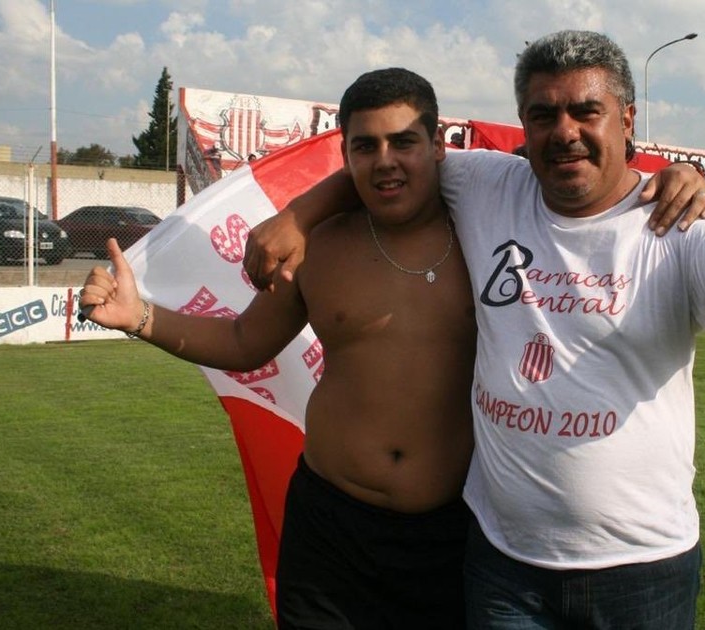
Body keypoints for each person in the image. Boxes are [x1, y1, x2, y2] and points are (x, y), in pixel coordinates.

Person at [244, 30, 705, 629]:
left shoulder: (681, 222)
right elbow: (390, 164)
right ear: (523, 126)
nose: (565, 130)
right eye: (543, 114)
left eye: (586, 111)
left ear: (627, 120)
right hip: (504, 562)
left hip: (641, 567)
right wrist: (298, 216)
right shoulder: (488, 185)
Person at [80, 68, 479, 629]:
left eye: (404, 141)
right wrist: (140, 317)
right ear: (345, 153)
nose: (385, 161)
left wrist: (300, 210)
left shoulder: (489, 234)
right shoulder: (319, 246)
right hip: (331, 533)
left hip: (454, 533)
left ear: (438, 144)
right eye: (365, 146)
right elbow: (245, 341)